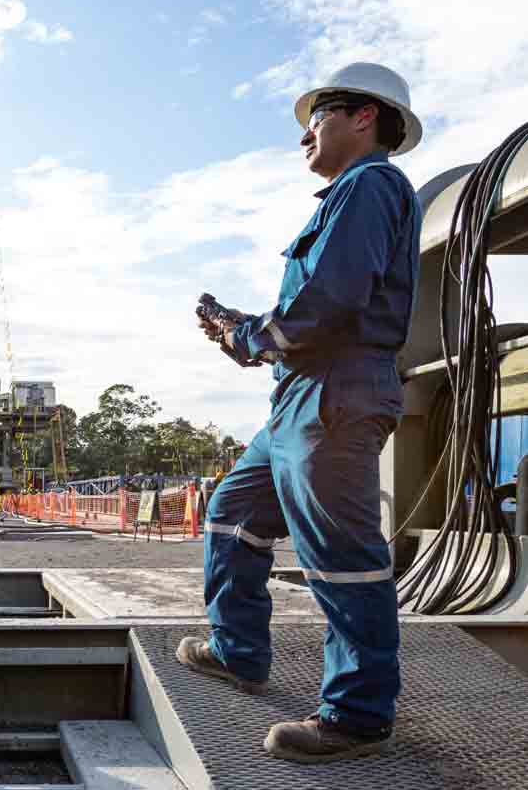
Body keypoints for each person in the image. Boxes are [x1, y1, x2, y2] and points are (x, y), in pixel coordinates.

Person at [180, 63, 422, 763]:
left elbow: (332, 299)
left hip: (336, 394)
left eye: (314, 119)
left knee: (341, 555)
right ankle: (238, 650)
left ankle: (358, 714)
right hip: (300, 396)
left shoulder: (371, 186)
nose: (304, 136)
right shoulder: (346, 196)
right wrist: (241, 332)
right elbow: (315, 307)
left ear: (363, 117)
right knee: (231, 511)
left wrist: (249, 334)